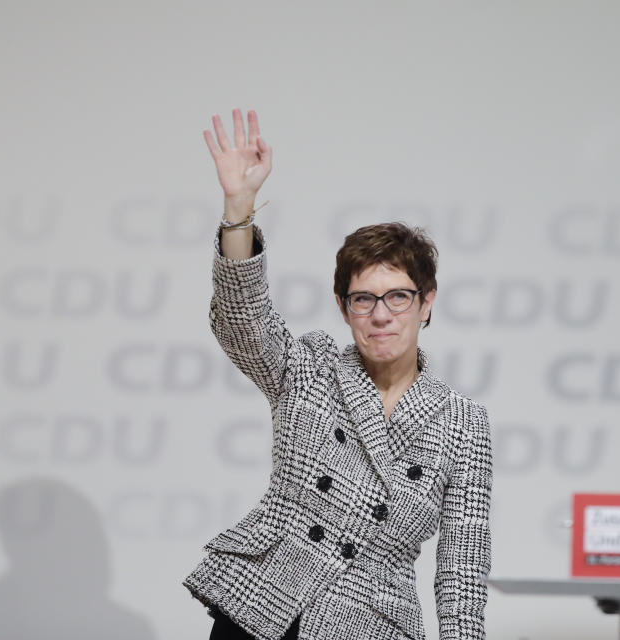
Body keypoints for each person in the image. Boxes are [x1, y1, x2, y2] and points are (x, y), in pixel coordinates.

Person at [183, 109, 492, 640]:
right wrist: (239, 208)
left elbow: (461, 568)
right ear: (342, 306)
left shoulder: (462, 423)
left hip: (367, 624)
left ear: (427, 303)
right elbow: (241, 318)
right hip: (264, 606)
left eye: (398, 296)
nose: (380, 314)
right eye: (363, 298)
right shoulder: (309, 367)